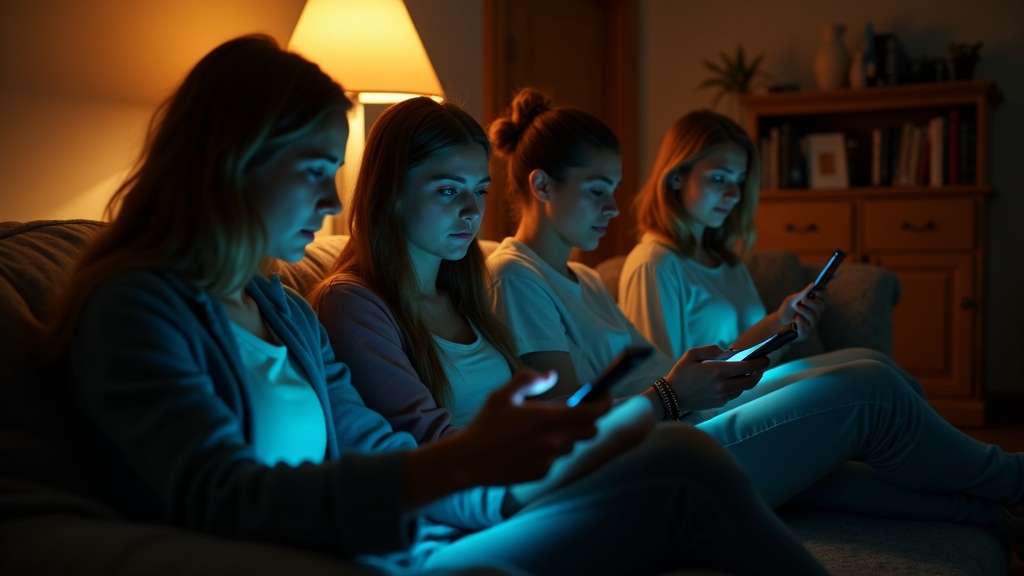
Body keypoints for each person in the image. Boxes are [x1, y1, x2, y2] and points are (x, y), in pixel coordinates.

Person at [46, 35, 830, 576]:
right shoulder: (137, 309)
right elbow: (218, 495)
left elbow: (374, 439)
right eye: (315, 167)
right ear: (232, 161)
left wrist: (499, 475)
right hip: (353, 550)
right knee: (681, 462)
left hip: (410, 531)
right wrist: (459, 466)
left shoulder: (273, 305)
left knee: (682, 462)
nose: (330, 197)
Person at [305, 95, 834, 575]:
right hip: (493, 499)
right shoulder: (353, 302)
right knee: (683, 455)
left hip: (536, 469)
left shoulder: (464, 293)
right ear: (390, 192)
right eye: (448, 190)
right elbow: (431, 451)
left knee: (798, 412)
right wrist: (661, 399)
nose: (472, 211)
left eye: (480, 190)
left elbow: (541, 410)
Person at [484, 87, 1024, 555]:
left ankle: (992, 510)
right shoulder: (515, 275)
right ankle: (1014, 480)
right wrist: (672, 396)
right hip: (648, 458)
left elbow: (662, 372)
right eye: (597, 189)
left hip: (677, 426)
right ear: (543, 186)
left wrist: (747, 347)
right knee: (870, 388)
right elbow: (566, 427)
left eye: (615, 189)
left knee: (867, 368)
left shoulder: (582, 277)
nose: (613, 207)